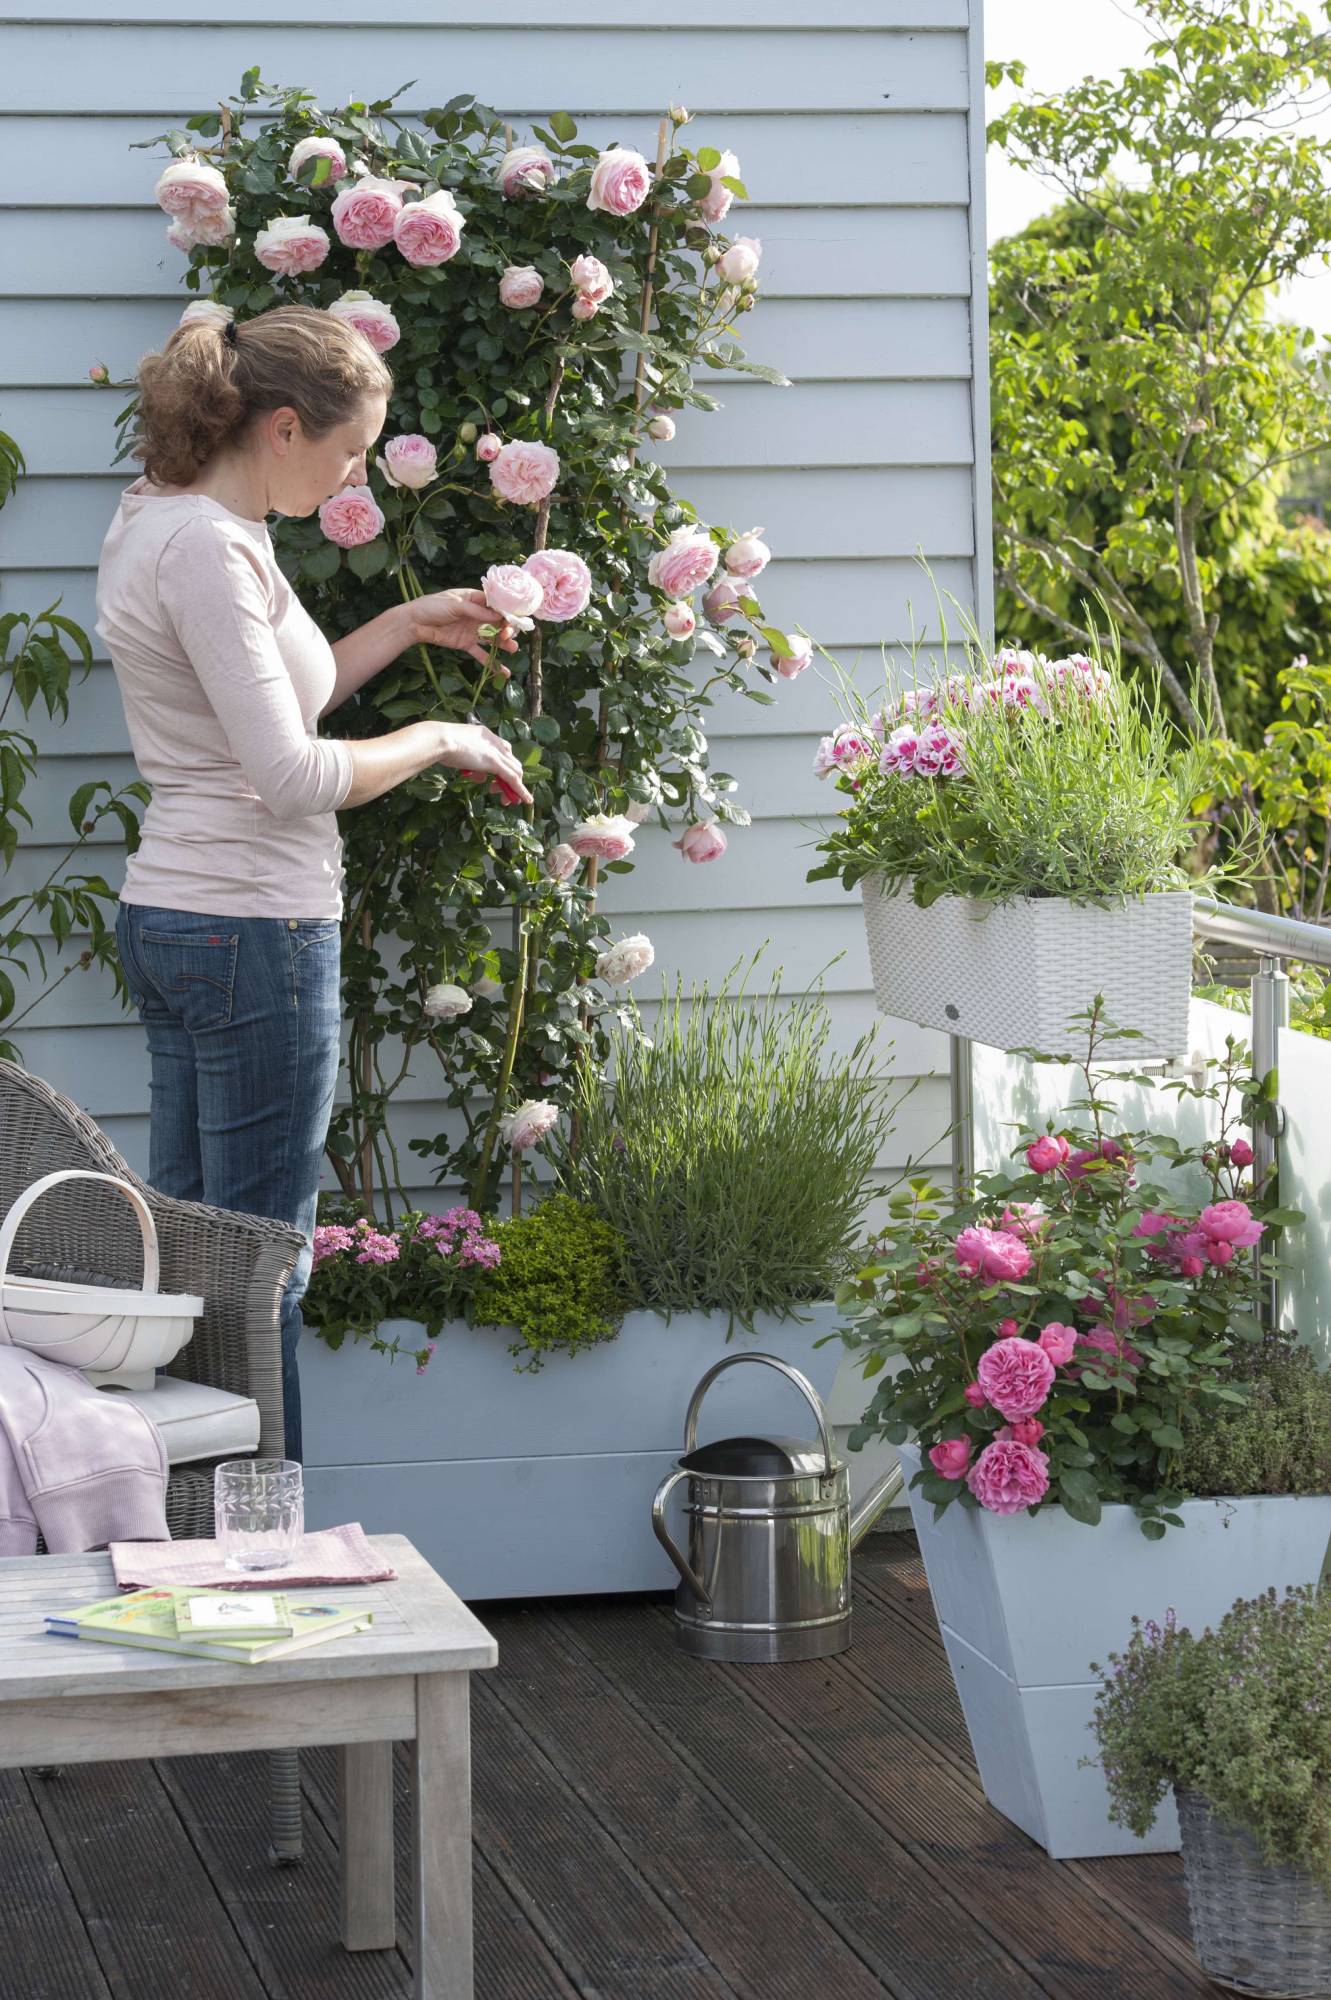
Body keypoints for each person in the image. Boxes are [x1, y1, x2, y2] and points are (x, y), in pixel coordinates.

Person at [95, 304, 530, 1460]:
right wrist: (441, 737)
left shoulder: (178, 521)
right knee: (258, 1266)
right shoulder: (205, 547)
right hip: (249, 931)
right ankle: (259, 1546)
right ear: (284, 425)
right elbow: (288, 772)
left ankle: (195, 1533)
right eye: (346, 453)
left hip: (188, 917)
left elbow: (272, 707)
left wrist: (401, 622)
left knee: (193, 1256)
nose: (355, 478)